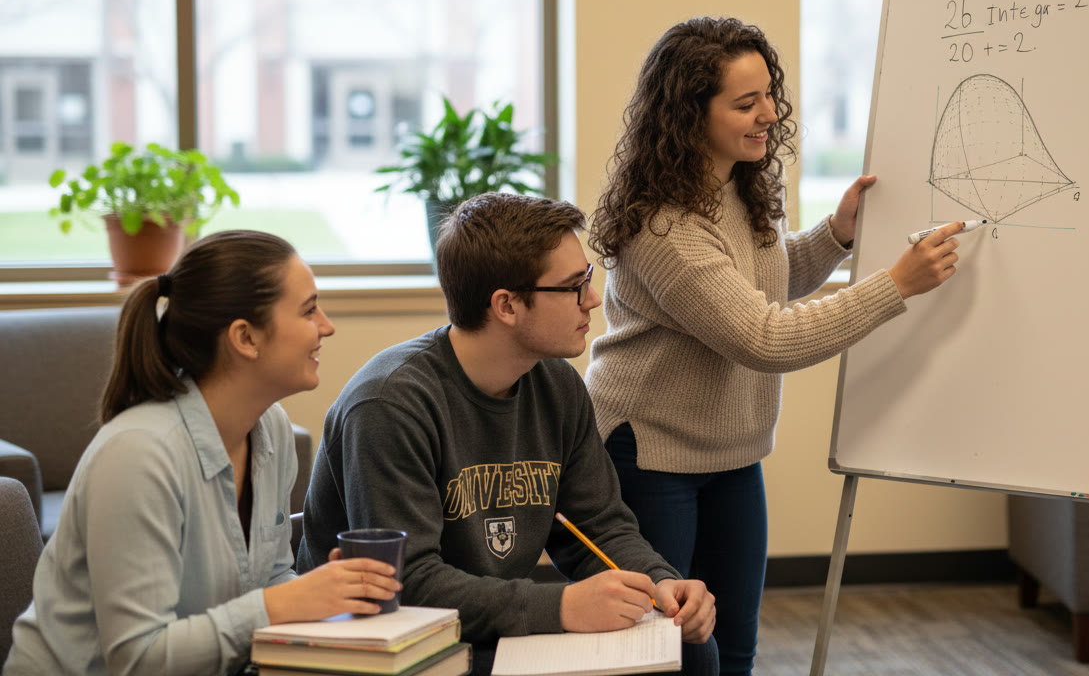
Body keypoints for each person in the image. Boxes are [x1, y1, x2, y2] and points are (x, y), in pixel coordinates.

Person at [584, 16, 964, 675]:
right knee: (667, 656)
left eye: (770, 95)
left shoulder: (738, 184)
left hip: (731, 453)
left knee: (735, 649)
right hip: (647, 455)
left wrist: (836, 235)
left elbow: (762, 279)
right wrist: (894, 286)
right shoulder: (662, 224)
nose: (769, 114)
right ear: (688, 113)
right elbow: (763, 337)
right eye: (745, 102)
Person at [297, 193, 718, 676]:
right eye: (573, 286)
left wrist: (662, 585)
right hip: (394, 638)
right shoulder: (389, 404)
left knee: (691, 651)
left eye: (588, 279)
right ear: (507, 305)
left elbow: (599, 526)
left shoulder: (557, 383)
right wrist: (559, 607)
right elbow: (407, 580)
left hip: (492, 627)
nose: (593, 298)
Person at [3, 231, 402, 676]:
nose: (326, 325)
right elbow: (138, 659)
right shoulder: (139, 456)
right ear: (245, 337)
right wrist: (280, 604)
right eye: (309, 310)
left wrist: (321, 595)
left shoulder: (270, 429)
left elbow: (266, 582)